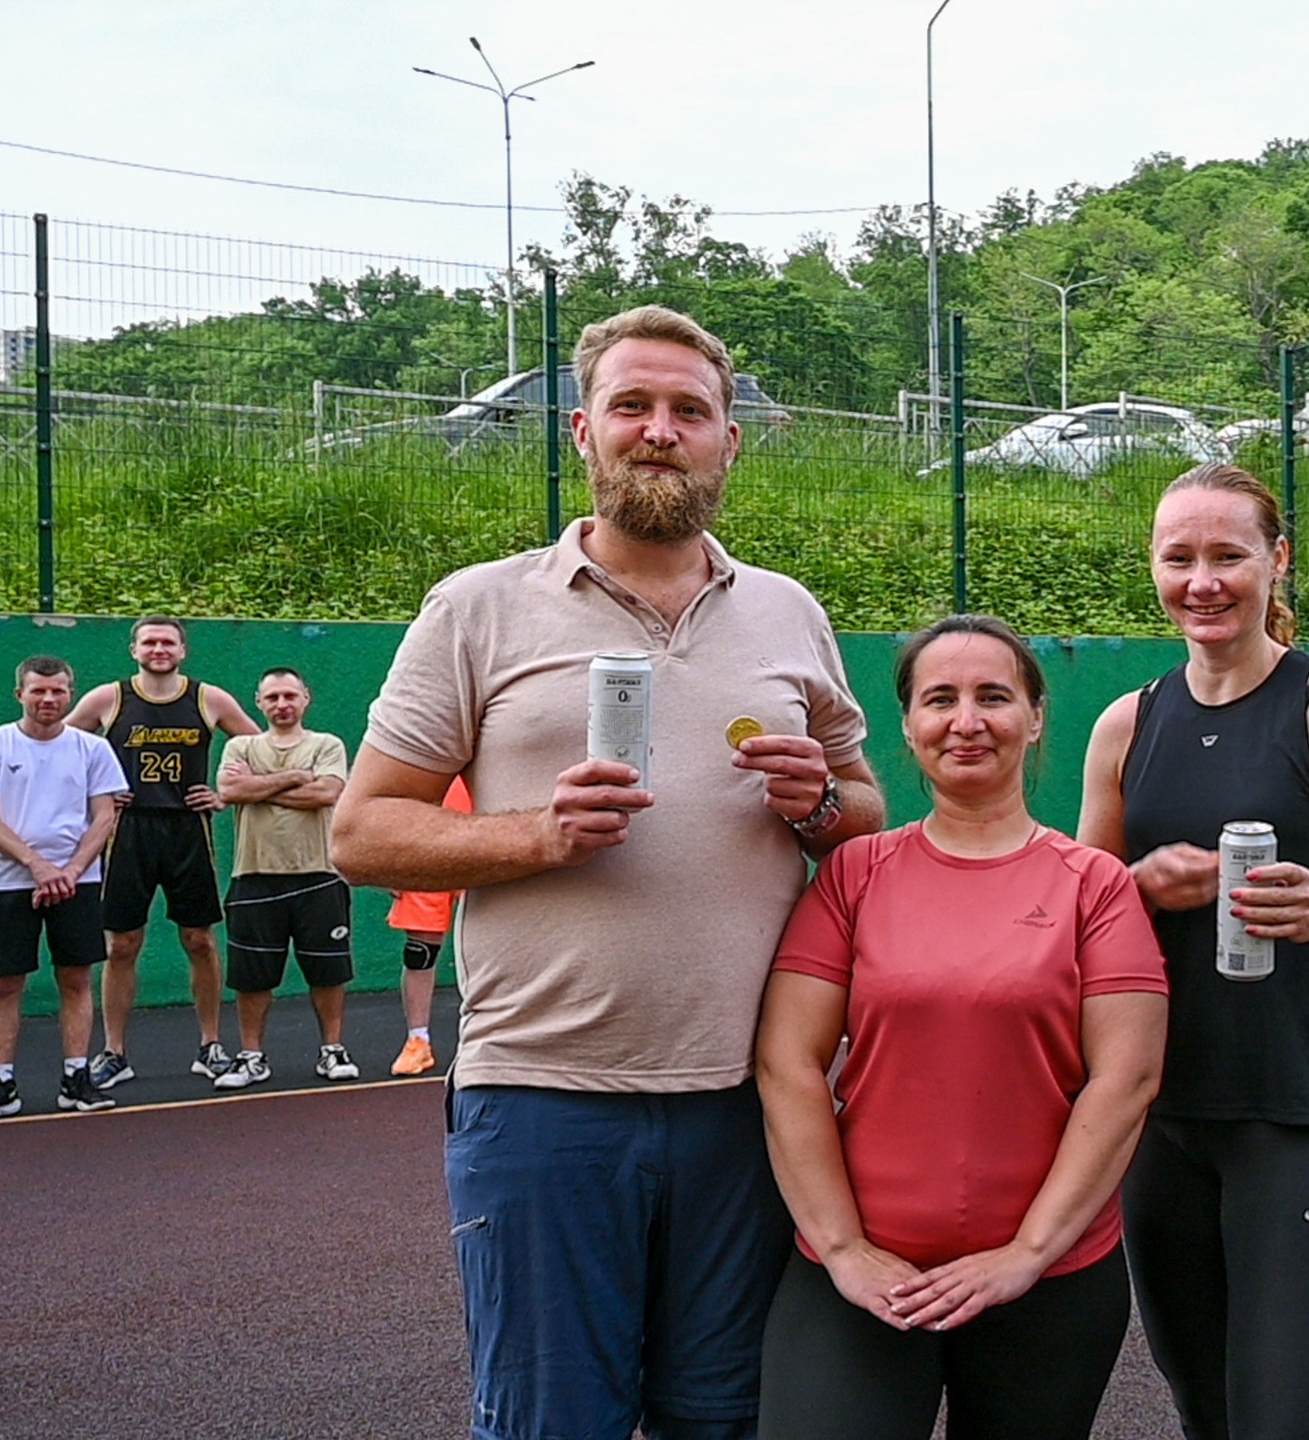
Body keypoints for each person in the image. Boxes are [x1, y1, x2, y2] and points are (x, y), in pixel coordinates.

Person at [331, 304, 883, 1440]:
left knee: (724, 1419)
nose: (660, 430)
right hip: (541, 1099)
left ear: (732, 439)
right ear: (583, 432)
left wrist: (817, 803)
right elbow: (364, 832)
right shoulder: (479, 605)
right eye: (633, 406)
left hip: (747, 1104)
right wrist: (535, 834)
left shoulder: (789, 612)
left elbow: (866, 811)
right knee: (551, 1422)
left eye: (691, 410)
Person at [1078, 462, 1309, 1440]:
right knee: (1206, 1410)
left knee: (1282, 1419)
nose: (1203, 581)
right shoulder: (1125, 725)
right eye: (1178, 557)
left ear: (1276, 562)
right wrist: (1136, 892)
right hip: (1160, 1118)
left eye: (1227, 555)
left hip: (1295, 1116)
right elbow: (1086, 918)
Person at [757, 616, 1169, 1440]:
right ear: (907, 725)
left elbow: (1126, 1079)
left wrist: (1027, 1254)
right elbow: (787, 1063)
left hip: (1050, 1281)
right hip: (866, 1283)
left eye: (994, 696)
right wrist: (842, 1249)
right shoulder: (854, 873)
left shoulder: (1095, 886)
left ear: (1037, 716)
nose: (967, 721)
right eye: (940, 699)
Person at [64, 615, 260, 1088]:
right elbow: (57, 751)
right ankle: (114, 1052)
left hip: (187, 829)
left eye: (167, 642)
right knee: (122, 944)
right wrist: (98, 792)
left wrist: (224, 794)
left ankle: (210, 1045)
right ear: (133, 649)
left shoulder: (208, 698)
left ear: (183, 650)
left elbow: (260, 748)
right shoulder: (108, 698)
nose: (158, 649)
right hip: (126, 831)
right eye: (149, 642)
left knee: (200, 940)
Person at [0, 657, 130, 1121]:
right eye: (38, 691)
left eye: (57, 691)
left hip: (78, 883)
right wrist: (37, 866)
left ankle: (77, 1078)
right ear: (20, 694)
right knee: (4, 984)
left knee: (76, 979)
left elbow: (104, 817)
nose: (48, 699)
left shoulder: (92, 750)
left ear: (70, 695)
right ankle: (2, 1083)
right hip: (8, 884)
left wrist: (70, 872)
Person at [212, 667, 356, 1090]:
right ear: (259, 702)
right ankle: (252, 1056)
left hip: (320, 875)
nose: (282, 704)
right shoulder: (241, 745)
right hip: (254, 877)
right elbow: (231, 792)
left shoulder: (327, 744)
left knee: (328, 971)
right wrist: (294, 777)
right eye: (272, 697)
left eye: (290, 696)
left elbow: (327, 794)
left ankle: (332, 1050)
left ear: (305, 699)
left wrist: (258, 787)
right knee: (252, 976)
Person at [382, 777, 471, 1077]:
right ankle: (418, 1041)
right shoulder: (417, 740)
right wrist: (391, 861)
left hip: (483, 844)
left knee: (492, 941)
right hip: (423, 854)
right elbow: (385, 797)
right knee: (420, 953)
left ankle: (496, 1038)